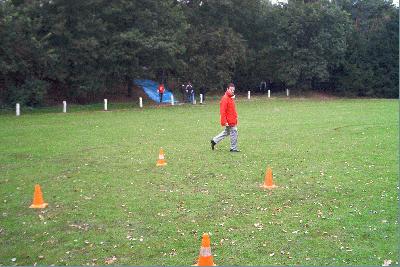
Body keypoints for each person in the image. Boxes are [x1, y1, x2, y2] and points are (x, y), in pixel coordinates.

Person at [210, 83, 239, 152]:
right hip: (229, 120)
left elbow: (232, 109)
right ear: (227, 89)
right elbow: (222, 111)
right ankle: (233, 148)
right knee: (234, 132)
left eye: (233, 90)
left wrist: (235, 116)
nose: (232, 91)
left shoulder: (231, 97)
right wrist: (224, 121)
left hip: (232, 119)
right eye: (231, 90)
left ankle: (214, 140)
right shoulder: (225, 98)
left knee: (226, 132)